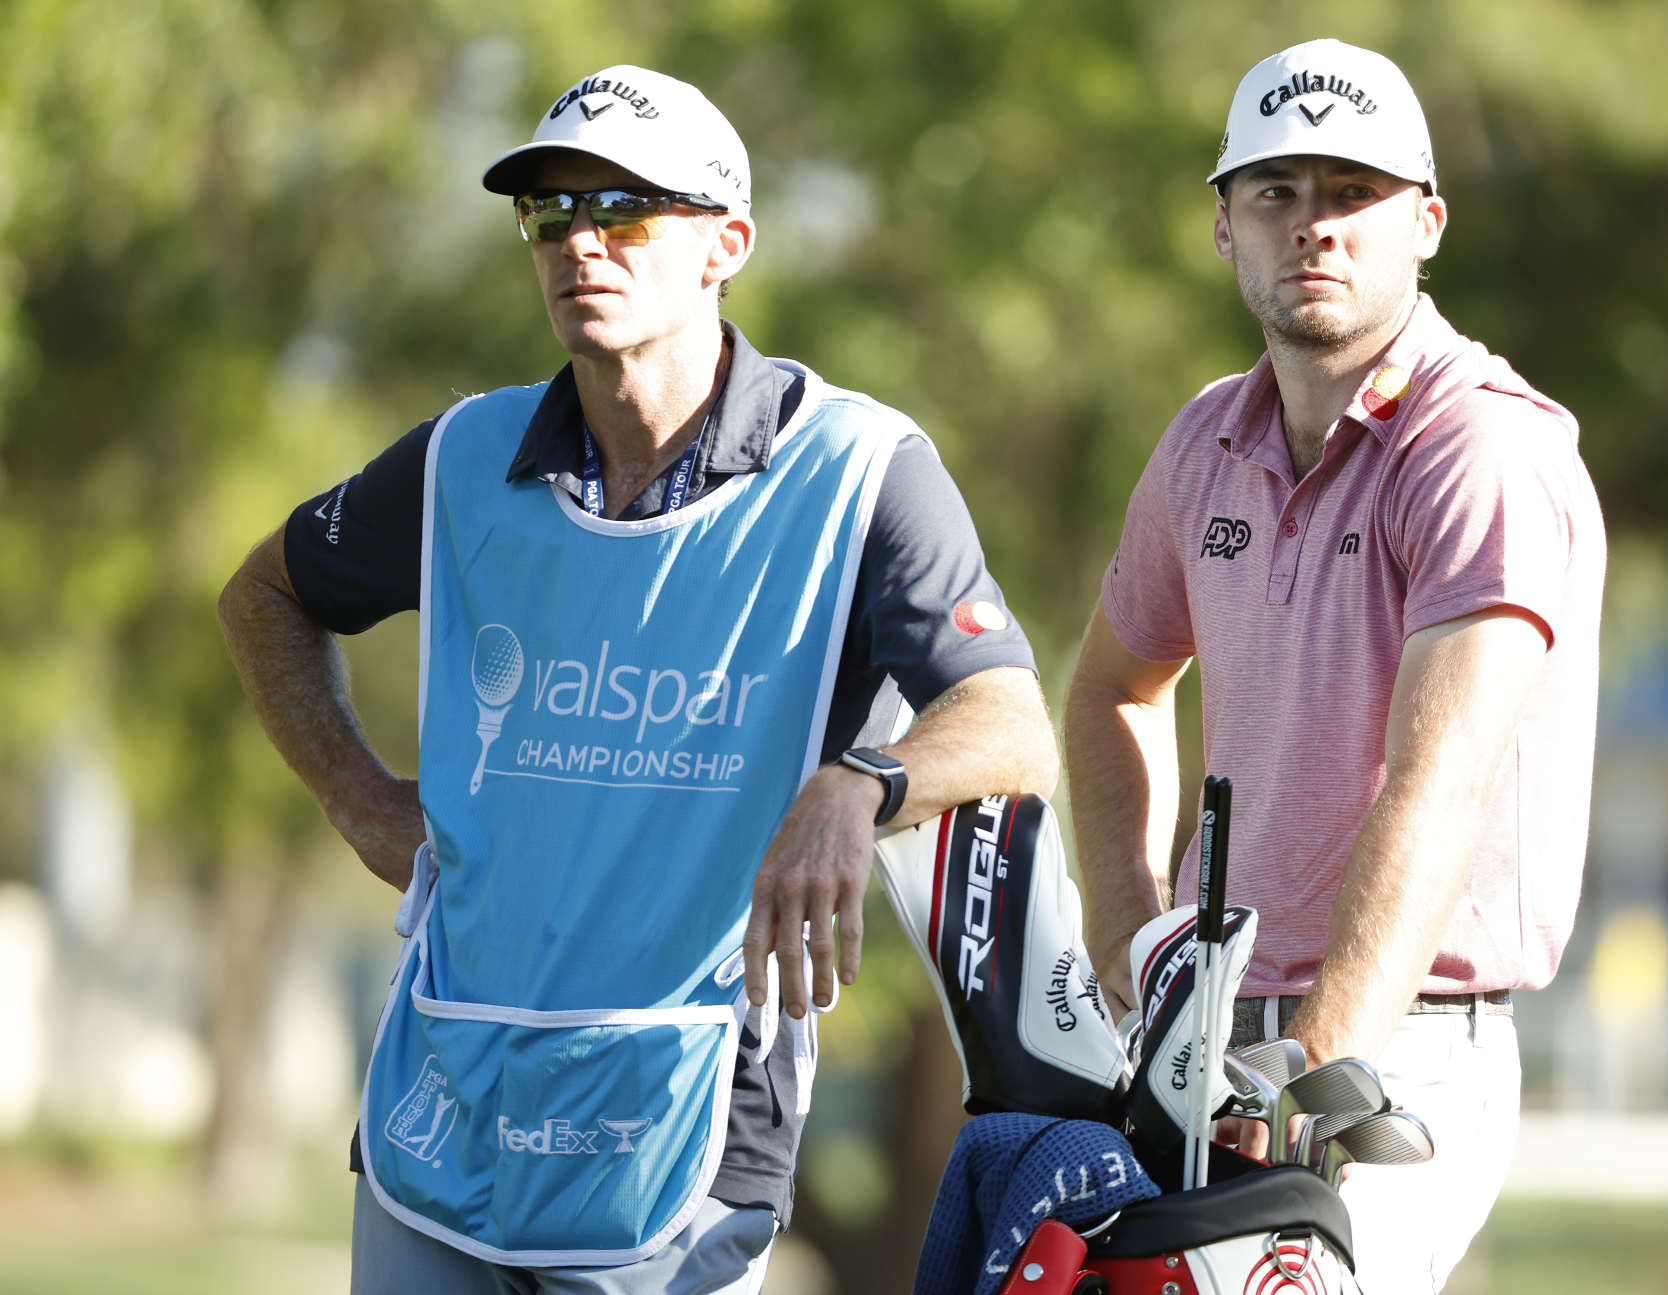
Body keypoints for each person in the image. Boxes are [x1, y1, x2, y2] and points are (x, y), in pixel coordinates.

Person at [218, 64, 1056, 1295]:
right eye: (550, 214)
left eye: (623, 209)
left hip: (682, 1119)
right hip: (443, 1098)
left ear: (728, 244)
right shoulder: (466, 454)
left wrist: (857, 784)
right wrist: (355, 796)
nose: (580, 244)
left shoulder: (863, 469)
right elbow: (265, 598)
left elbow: (1012, 722)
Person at [1065, 38, 1604, 1294]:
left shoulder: (1479, 449)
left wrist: (1310, 1069)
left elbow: (1439, 787)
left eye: (1353, 195)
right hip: (1205, 1036)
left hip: (1394, 1052)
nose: (1315, 228)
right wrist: (1125, 948)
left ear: (1425, 223)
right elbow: (1111, 688)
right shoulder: (1207, 437)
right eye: (1277, 192)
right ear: (1224, 227)